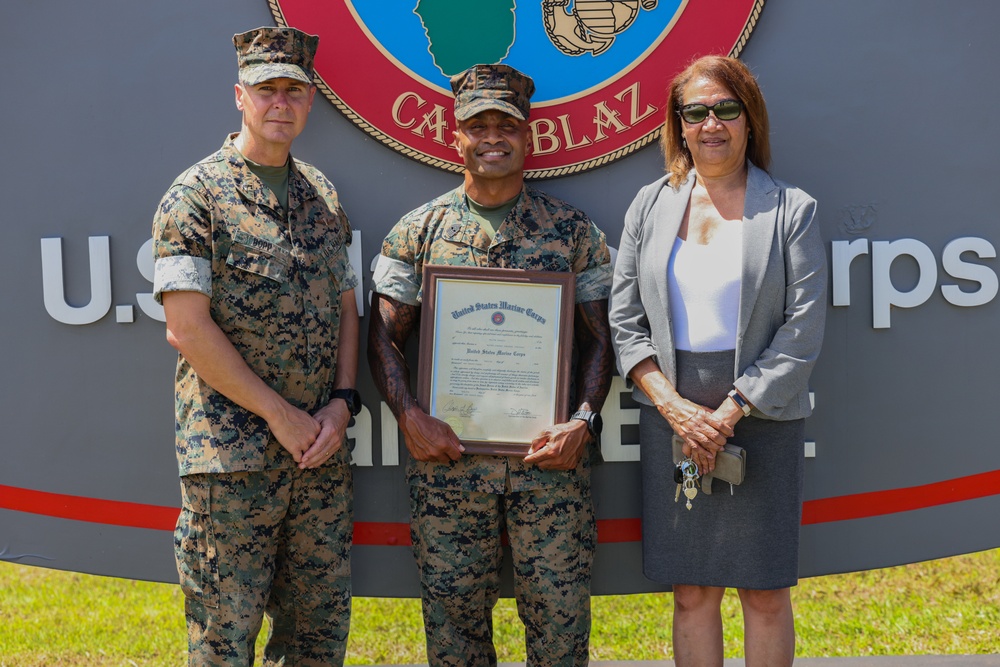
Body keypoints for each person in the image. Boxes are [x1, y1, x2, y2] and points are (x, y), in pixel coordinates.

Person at [367, 64, 613, 667]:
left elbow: (602, 340)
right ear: (457, 136)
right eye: (479, 125)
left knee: (559, 635)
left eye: (508, 124)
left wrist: (582, 420)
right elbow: (380, 336)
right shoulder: (419, 233)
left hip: (549, 464)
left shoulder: (572, 233)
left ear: (529, 137)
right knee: (454, 637)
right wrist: (410, 417)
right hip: (448, 465)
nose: (493, 137)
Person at [608, 55, 827, 667]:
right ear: (678, 124)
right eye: (696, 111)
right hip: (672, 417)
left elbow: (802, 332)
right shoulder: (649, 207)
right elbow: (625, 323)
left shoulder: (792, 210)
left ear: (748, 119)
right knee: (691, 590)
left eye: (725, 109)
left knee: (763, 593)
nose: (711, 123)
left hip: (761, 417)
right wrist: (677, 409)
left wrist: (727, 412)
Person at [152, 27, 361, 666]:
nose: (280, 103)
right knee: (224, 642)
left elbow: (348, 308)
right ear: (239, 95)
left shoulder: (321, 196)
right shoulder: (196, 196)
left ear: (310, 101)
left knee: (318, 639)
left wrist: (344, 402)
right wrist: (280, 414)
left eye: (293, 90)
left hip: (317, 460)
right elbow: (186, 328)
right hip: (231, 463)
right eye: (266, 89)